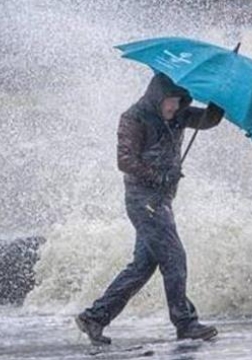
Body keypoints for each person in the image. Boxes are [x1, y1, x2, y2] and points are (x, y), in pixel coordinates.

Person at [75, 73, 224, 345]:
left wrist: (219, 101)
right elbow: (125, 161)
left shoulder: (179, 114)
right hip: (143, 200)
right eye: (170, 101)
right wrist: (159, 176)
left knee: (142, 266)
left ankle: (94, 317)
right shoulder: (134, 118)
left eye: (179, 101)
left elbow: (207, 120)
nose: (174, 107)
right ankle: (186, 322)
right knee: (174, 257)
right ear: (157, 96)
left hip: (161, 200)